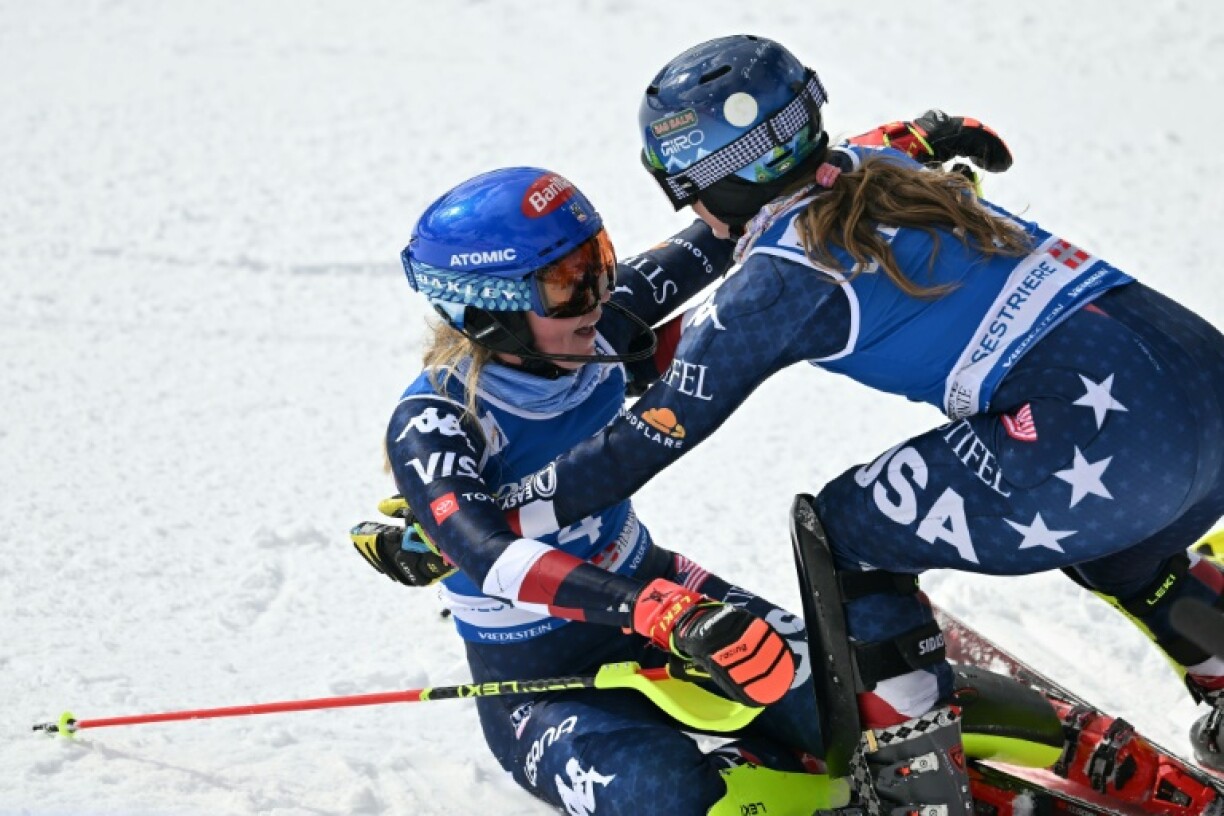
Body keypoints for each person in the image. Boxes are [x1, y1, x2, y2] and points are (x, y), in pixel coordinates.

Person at [484, 35, 1224, 812]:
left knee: (844, 535)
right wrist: (930, 129)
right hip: (1201, 391)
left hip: (1099, 446)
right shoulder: (881, 168)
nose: (688, 207)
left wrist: (488, 518)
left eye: (679, 185)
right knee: (1126, 552)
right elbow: (856, 150)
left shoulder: (779, 282)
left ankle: (919, 783)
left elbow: (646, 440)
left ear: (710, 181)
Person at [352, 165, 837, 816]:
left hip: (661, 591)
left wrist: (882, 148)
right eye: (566, 284)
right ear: (487, 307)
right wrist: (659, 611)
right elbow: (489, 557)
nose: (598, 295)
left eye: (598, 261)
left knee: (849, 709)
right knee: (668, 796)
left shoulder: (596, 323)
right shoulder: (435, 421)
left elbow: (734, 218)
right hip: (539, 680)